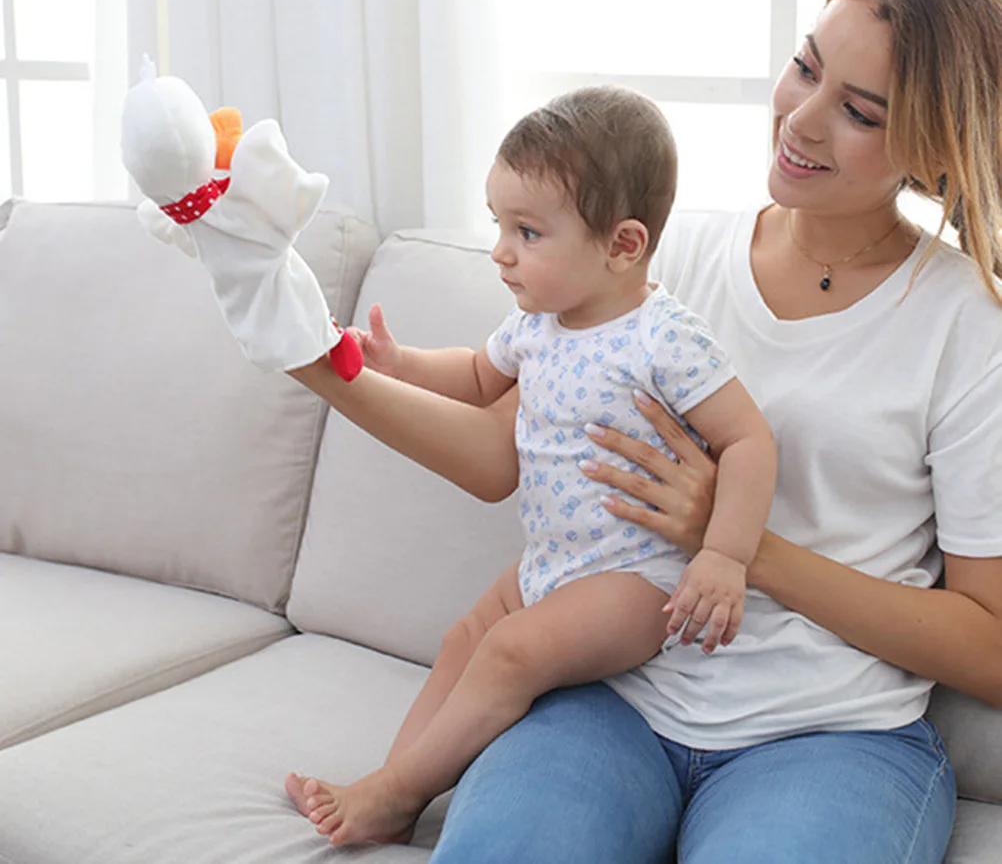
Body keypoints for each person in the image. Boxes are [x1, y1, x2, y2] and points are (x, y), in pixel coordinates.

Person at [283, 0, 1002, 863]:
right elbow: (498, 450)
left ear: (933, 150)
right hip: (611, 699)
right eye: (806, 67)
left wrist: (739, 546)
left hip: (829, 738)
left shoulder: (968, 326)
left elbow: (990, 648)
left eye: (860, 112)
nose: (801, 118)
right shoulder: (665, 257)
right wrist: (316, 362)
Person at [285, 86, 776, 846]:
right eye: (498, 225)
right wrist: (400, 363)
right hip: (552, 563)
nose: (501, 251)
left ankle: (399, 790)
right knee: (465, 640)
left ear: (623, 245)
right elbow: (478, 378)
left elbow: (749, 441)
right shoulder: (538, 323)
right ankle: (393, 788)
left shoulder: (665, 339)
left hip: (638, 578)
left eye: (527, 232)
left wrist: (724, 556)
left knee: (510, 652)